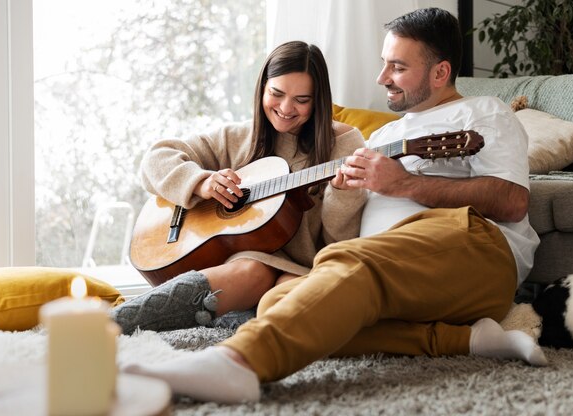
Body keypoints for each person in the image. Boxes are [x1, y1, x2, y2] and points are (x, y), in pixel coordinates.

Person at [120, 8, 547, 404]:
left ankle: (237, 362)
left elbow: (512, 201)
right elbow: (338, 234)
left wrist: (407, 184)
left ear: (440, 72)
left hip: (472, 248)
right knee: (278, 303)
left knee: (351, 264)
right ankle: (470, 340)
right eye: (385, 63)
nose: (383, 77)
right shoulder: (380, 138)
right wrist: (340, 195)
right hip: (390, 271)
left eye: (398, 67)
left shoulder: (481, 114)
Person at [111, 41, 367, 334]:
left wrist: (344, 194)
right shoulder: (236, 137)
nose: (285, 108)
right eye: (277, 93)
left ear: (318, 100)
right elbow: (155, 160)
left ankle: (230, 323)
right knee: (252, 271)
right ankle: (110, 325)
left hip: (300, 268)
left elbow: (340, 243)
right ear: (262, 89)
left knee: (285, 299)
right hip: (238, 268)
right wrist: (199, 182)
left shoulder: (346, 144)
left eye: (302, 99)